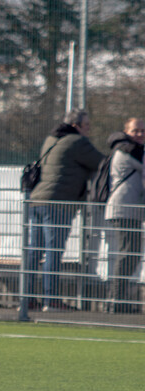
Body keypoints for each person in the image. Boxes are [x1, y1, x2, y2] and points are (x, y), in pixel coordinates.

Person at [23, 108, 105, 312]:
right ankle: (51, 300)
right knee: (53, 251)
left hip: (37, 200)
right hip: (59, 203)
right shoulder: (77, 142)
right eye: (86, 125)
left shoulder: (51, 139)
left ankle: (27, 299)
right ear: (76, 126)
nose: (89, 129)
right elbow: (102, 162)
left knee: (35, 250)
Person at [103, 118, 145, 313]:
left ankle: (118, 298)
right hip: (123, 209)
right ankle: (116, 300)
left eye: (143, 131)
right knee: (127, 254)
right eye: (135, 130)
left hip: (130, 209)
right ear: (126, 131)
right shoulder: (128, 151)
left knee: (131, 255)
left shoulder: (132, 150)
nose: (140, 134)